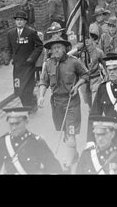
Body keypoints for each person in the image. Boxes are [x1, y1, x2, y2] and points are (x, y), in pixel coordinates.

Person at [38, 37, 89, 169]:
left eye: (58, 47)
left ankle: (69, 159)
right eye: (53, 48)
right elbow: (43, 81)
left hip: (71, 102)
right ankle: (74, 153)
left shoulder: (74, 62)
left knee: (70, 131)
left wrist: (77, 86)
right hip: (56, 103)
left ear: (65, 48)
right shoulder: (48, 64)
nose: (56, 50)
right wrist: (41, 96)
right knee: (64, 131)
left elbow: (85, 75)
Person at [0, 107, 61, 174]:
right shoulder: (2, 142)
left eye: (17, 123)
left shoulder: (36, 142)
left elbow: (54, 168)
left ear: (26, 121)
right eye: (11, 124)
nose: (13, 128)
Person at [5, 11, 43, 111]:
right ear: (15, 22)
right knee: (18, 90)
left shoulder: (31, 32)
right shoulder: (10, 34)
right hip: (17, 67)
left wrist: (32, 58)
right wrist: (7, 58)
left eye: (21, 20)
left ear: (25, 21)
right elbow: (9, 48)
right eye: (17, 20)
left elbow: (39, 46)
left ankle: (29, 106)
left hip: (28, 66)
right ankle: (27, 105)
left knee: (27, 89)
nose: (19, 22)